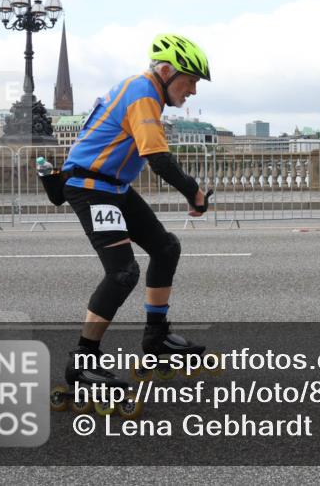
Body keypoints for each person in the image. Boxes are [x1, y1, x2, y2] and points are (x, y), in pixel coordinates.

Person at [60, 34, 212, 387]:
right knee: (122, 272)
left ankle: (156, 338)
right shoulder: (143, 92)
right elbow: (157, 159)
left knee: (166, 247)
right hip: (90, 187)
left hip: (113, 187)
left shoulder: (147, 93)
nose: (193, 91)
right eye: (190, 81)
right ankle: (81, 363)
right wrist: (195, 193)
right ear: (165, 71)